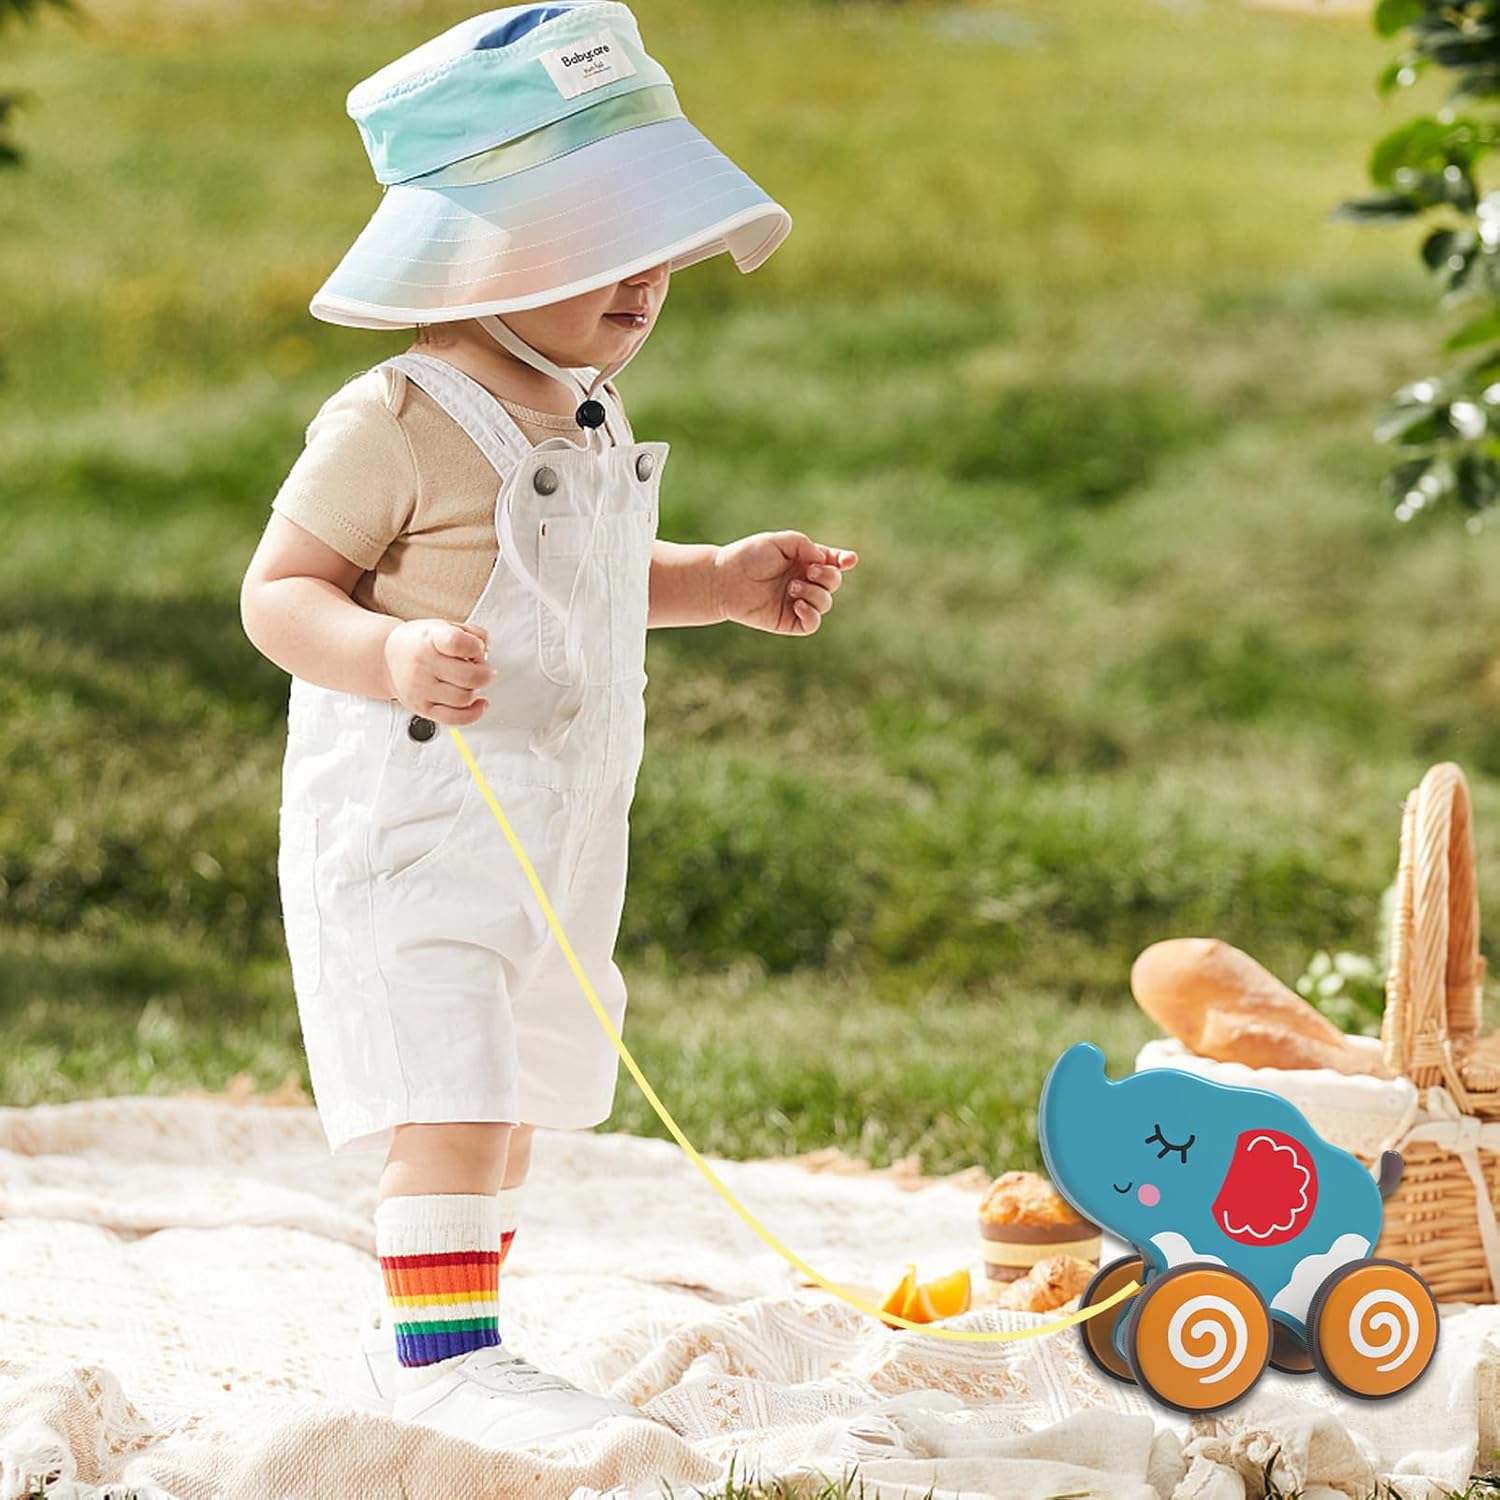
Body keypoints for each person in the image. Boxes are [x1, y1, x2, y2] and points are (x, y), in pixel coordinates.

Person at [238, 0, 859, 1451]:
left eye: (659, 249)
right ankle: (440, 1356)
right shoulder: (396, 418)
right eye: (603, 247)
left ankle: (459, 1325)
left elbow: (584, 583)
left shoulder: (582, 406)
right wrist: (389, 652)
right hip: (414, 823)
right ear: (478, 254)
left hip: (554, 819)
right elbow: (279, 594)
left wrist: (719, 581)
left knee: (515, 1081)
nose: (645, 281)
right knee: (449, 1080)